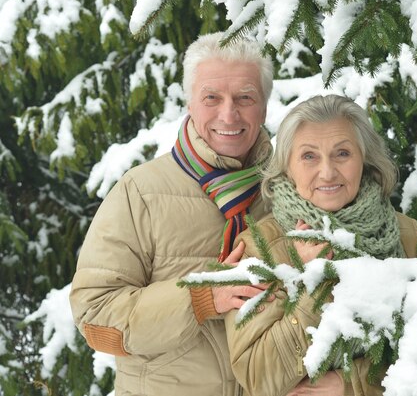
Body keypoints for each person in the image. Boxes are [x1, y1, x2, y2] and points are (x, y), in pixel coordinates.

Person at [69, 32, 275, 396]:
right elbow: (96, 322)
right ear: (190, 102)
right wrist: (200, 298)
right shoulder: (140, 193)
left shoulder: (291, 190)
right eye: (212, 97)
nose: (229, 114)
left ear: (264, 105)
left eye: (245, 97)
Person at [225, 94, 417, 396]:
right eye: (309, 156)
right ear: (287, 167)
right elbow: (259, 375)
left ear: (364, 160)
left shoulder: (406, 232)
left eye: (342, 154)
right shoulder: (261, 247)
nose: (327, 172)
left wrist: (352, 384)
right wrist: (312, 290)